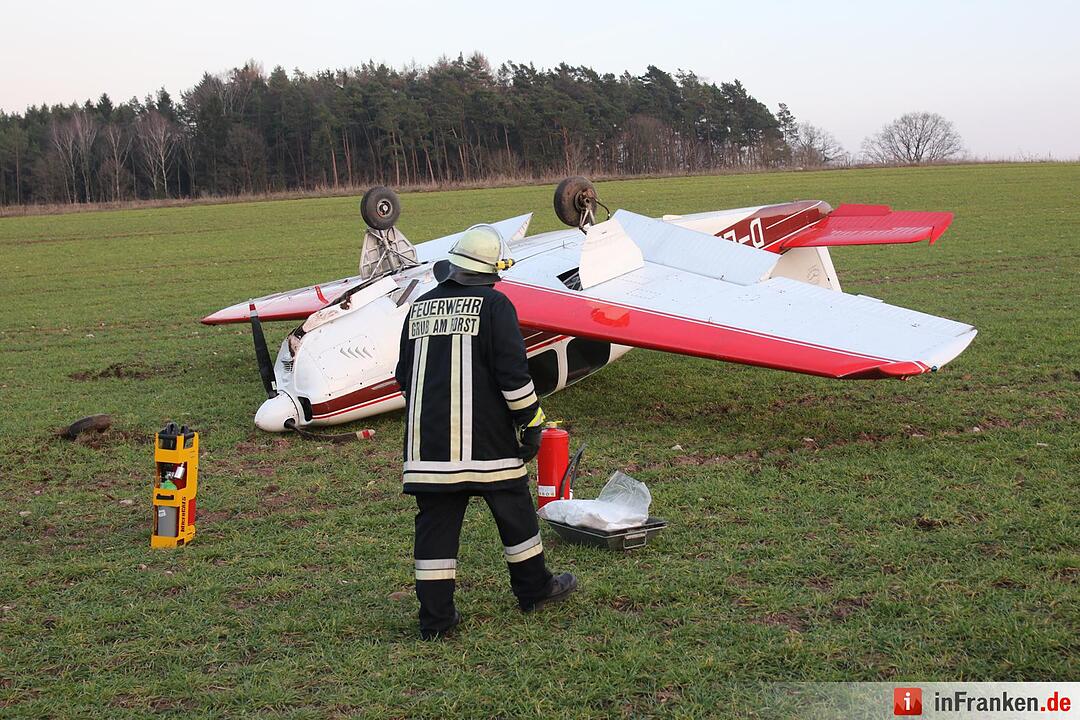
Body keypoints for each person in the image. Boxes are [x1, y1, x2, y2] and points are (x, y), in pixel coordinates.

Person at [394, 223, 578, 640]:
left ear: (454, 267)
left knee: (435, 528)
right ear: (492, 273)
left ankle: (436, 622)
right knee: (515, 514)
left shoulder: (418, 307)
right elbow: (513, 376)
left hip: (429, 448)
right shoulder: (495, 306)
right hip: (488, 443)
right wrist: (532, 425)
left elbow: (404, 376)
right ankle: (534, 589)